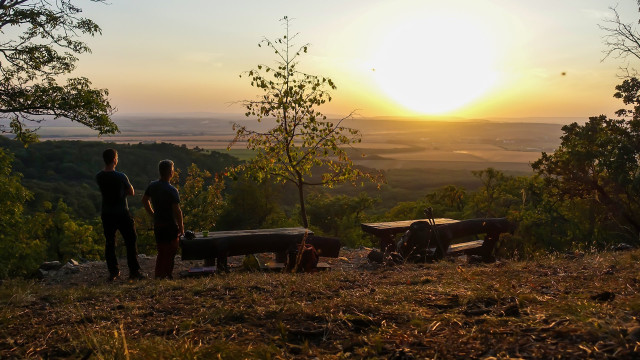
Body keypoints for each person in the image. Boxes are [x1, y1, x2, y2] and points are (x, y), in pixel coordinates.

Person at [96, 148, 145, 281]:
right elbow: (132, 192)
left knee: (110, 243)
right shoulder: (121, 176)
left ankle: (113, 272)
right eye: (117, 157)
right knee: (131, 240)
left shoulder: (99, 176)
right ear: (114, 160)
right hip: (122, 212)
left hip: (107, 213)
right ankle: (134, 271)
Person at [142, 159, 184, 279]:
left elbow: (144, 200)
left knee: (161, 251)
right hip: (170, 225)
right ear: (171, 172)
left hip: (158, 224)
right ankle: (167, 274)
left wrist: (152, 214)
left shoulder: (153, 185)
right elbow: (177, 211)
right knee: (171, 251)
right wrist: (181, 228)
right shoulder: (172, 190)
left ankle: (159, 274)